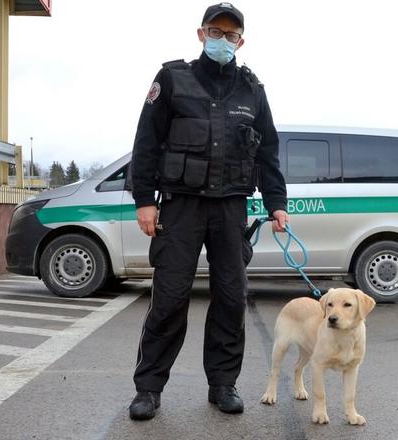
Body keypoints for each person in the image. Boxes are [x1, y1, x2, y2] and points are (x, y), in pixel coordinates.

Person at [128, 2, 288, 420]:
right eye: (215, 32)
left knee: (232, 299)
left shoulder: (252, 89)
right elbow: (146, 141)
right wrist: (144, 200)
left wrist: (277, 203)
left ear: (241, 40)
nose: (223, 39)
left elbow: (268, 149)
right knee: (169, 297)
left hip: (231, 208)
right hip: (181, 207)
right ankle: (148, 388)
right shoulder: (173, 79)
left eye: (230, 34)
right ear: (201, 34)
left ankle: (223, 384)